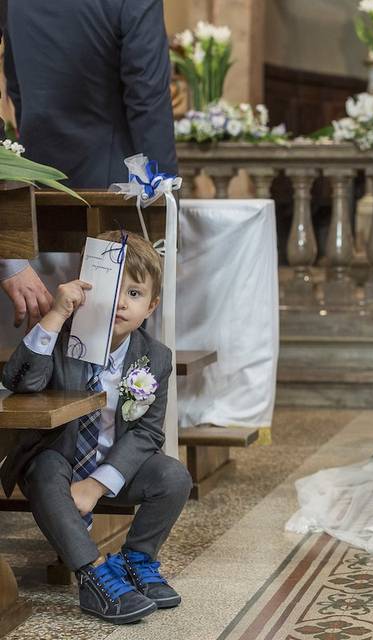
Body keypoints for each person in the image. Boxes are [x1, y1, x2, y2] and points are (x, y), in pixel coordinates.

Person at [0, 232, 191, 625]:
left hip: (110, 462)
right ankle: (93, 574)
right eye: (113, 288)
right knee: (48, 471)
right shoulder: (61, 334)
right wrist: (54, 315)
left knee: (173, 476)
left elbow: (148, 434)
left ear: (151, 306)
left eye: (135, 294)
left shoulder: (155, 357)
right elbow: (20, 381)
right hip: (55, 457)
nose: (121, 302)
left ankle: (136, 561)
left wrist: (97, 485)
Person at [0, 0, 177, 332]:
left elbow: (16, 85)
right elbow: (148, 97)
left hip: (37, 185)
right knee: (111, 334)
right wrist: (165, 199)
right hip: (111, 187)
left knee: (42, 331)